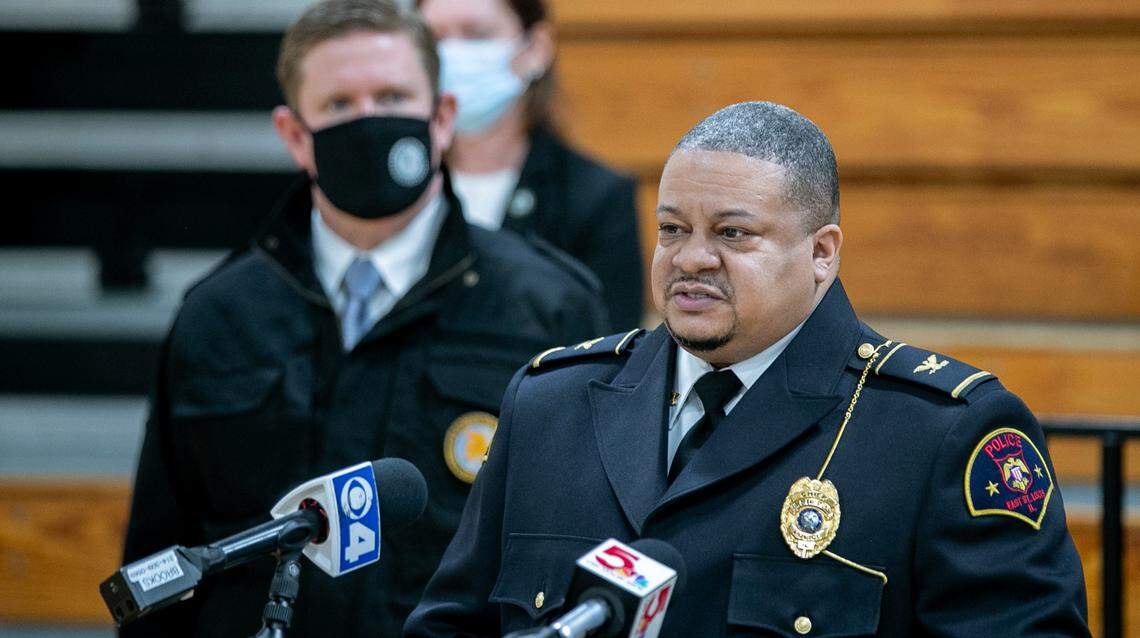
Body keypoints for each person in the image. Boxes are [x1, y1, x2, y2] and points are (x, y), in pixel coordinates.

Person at [404, 102, 1091, 637]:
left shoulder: (939, 433)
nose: (691, 258)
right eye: (673, 229)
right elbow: (451, 625)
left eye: (733, 233)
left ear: (821, 253)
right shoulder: (551, 404)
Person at [120, 1, 608, 636]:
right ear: (295, 135)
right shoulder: (218, 315)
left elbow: (580, 551)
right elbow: (160, 565)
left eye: (392, 96)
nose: (369, 121)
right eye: (340, 105)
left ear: (441, 119)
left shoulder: (549, 308)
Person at [418, 0, 644, 330]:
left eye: (477, 35)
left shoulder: (595, 197)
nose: (451, 54)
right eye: (433, 39)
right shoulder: (391, 185)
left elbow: (616, 355)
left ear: (536, 48)